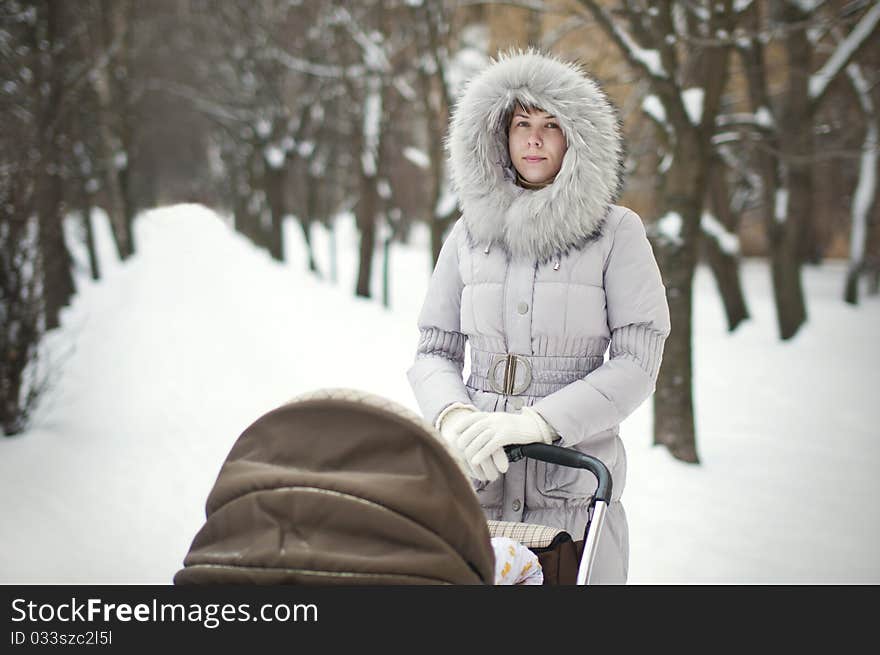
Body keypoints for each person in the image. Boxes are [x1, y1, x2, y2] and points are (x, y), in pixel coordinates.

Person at [406, 49, 670, 584]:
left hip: (572, 494)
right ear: (498, 135)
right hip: (478, 485)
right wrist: (454, 416)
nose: (534, 138)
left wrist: (540, 422)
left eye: (551, 126)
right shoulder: (468, 234)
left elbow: (638, 360)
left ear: (575, 138)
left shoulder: (617, 232)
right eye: (522, 124)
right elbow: (435, 348)